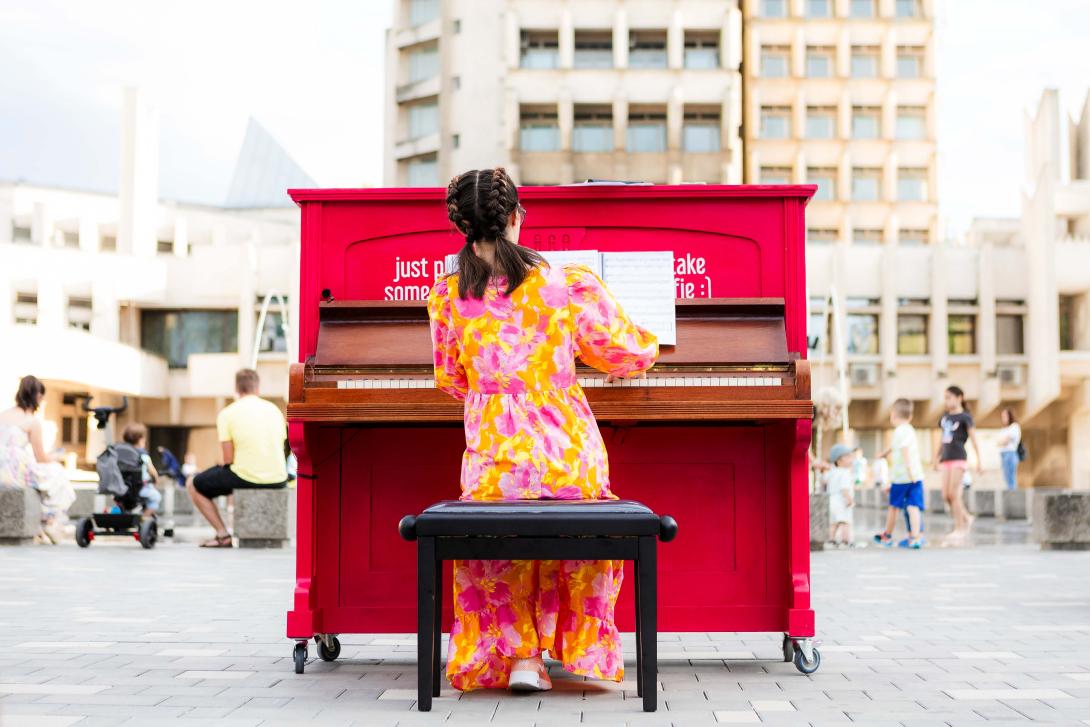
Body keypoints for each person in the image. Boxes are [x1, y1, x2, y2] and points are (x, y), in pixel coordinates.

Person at [428, 167, 657, 693]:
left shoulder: (446, 295)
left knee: (499, 535)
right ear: (515, 217)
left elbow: (451, 378)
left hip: (493, 456)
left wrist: (499, 397)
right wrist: (652, 345)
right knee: (578, 529)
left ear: (462, 226)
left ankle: (520, 658)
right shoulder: (568, 283)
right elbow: (620, 353)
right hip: (567, 451)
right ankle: (575, 650)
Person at [186, 369, 288, 548]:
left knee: (193, 483)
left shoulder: (228, 413)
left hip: (246, 477)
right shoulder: (275, 411)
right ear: (257, 388)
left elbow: (228, 459)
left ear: (237, 388)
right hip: (279, 478)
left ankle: (222, 534)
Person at [0, 375, 76, 543]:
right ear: (37, 396)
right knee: (56, 474)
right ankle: (50, 520)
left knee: (42, 480)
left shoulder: (3, 414)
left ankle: (44, 523)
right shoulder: (32, 421)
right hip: (14, 471)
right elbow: (40, 457)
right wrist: (55, 457)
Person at [874, 398, 925, 549]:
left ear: (893, 415)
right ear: (910, 417)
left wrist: (908, 470)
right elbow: (894, 447)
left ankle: (887, 535)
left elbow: (904, 450)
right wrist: (884, 453)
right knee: (913, 506)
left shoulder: (899, 431)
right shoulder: (909, 430)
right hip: (916, 476)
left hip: (902, 478)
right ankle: (915, 537)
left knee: (894, 507)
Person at [934, 385, 981, 546]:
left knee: (954, 494)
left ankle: (960, 528)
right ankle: (966, 517)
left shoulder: (965, 417)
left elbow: (974, 440)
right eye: (945, 397)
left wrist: (979, 461)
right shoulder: (945, 417)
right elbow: (942, 440)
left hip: (959, 458)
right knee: (946, 495)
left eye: (949, 397)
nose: (946, 401)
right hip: (946, 459)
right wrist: (936, 458)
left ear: (959, 397)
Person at [121, 423, 161, 518]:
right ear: (141, 439)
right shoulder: (142, 455)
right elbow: (152, 472)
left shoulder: (120, 453)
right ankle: (143, 518)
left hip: (121, 489)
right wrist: (155, 480)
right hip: (139, 488)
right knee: (156, 498)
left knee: (122, 503)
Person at [823, 443, 855, 547]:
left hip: (831, 499)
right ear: (838, 460)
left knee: (834, 523)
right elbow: (844, 489)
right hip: (841, 501)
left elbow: (825, 481)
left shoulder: (832, 471)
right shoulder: (845, 472)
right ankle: (845, 541)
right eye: (847, 457)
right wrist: (849, 500)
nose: (851, 459)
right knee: (845, 522)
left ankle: (831, 540)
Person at [998, 408, 1022, 491]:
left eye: (1005, 416)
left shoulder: (1014, 426)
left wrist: (1002, 441)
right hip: (1003, 454)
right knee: (1006, 477)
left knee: (1011, 477)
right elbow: (999, 442)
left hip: (1010, 454)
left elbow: (1004, 441)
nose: (1003, 418)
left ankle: (1013, 495)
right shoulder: (1004, 429)